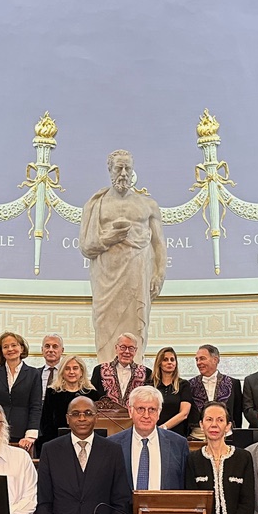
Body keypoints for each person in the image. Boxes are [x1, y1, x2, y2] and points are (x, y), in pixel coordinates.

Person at [80, 149, 167, 362]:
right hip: (106, 276)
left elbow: (159, 244)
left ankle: (135, 370)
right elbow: (85, 246)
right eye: (119, 167)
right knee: (104, 323)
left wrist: (159, 274)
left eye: (128, 168)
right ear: (110, 170)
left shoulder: (148, 204)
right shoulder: (96, 204)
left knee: (136, 324)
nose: (124, 173)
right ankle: (106, 370)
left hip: (137, 274)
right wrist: (109, 238)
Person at [35, 396, 132, 514]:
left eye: (88, 413)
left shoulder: (113, 451)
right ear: (67, 418)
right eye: (76, 414)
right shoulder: (50, 450)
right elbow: (44, 501)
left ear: (96, 417)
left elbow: (121, 502)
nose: (82, 418)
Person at [111, 385, 191, 514]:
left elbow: (186, 489)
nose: (146, 415)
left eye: (152, 409)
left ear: (159, 413)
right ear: (130, 411)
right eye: (140, 409)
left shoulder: (179, 444)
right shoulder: (112, 445)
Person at [186, 401, 256, 514]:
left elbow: (247, 502)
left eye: (220, 420)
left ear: (228, 426)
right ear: (201, 425)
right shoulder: (192, 459)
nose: (214, 425)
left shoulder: (243, 457)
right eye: (209, 420)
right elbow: (195, 503)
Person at [0, 331, 41, 450]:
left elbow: (36, 406)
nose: (10, 349)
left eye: (14, 345)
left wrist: (30, 435)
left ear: (22, 348)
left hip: (23, 434)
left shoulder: (34, 374)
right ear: (1, 351)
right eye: (5, 347)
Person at [39, 354, 101, 448]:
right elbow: (46, 422)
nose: (71, 372)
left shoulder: (91, 393)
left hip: (85, 441)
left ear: (81, 372)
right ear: (62, 372)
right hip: (57, 441)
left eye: (75, 368)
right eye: (67, 369)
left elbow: (95, 421)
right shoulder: (52, 392)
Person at [188, 344, 243, 436]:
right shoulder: (189, 385)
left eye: (202, 358)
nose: (198, 363)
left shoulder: (233, 383)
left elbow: (237, 414)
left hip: (226, 437)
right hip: (197, 437)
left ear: (215, 360)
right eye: (196, 359)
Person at [90, 332, 152, 406]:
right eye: (123, 347)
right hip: (106, 416)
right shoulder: (99, 370)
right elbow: (92, 400)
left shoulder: (146, 373)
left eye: (131, 348)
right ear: (116, 348)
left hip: (135, 417)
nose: (127, 352)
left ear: (135, 351)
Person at [151, 346, 194, 435]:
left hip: (177, 434)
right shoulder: (150, 385)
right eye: (165, 360)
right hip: (153, 432)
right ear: (159, 363)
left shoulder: (183, 385)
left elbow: (184, 413)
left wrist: (163, 427)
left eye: (172, 360)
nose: (169, 362)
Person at [40, 333, 64, 398]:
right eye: (47, 346)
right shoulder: (34, 373)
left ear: (62, 350)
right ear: (42, 350)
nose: (50, 350)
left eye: (55, 346)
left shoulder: (67, 373)